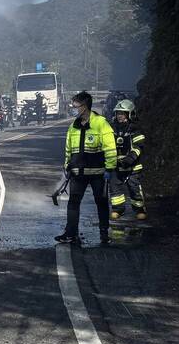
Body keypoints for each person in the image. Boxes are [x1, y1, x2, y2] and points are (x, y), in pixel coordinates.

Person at [55, 91, 117, 245]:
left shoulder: (101, 123)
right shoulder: (73, 126)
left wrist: (109, 168)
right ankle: (71, 233)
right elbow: (68, 149)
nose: (73, 109)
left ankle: (104, 233)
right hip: (77, 173)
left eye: (75, 106)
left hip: (98, 173)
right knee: (73, 203)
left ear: (84, 107)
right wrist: (67, 166)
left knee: (101, 203)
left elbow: (110, 148)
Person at [109, 99, 147, 220]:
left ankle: (139, 210)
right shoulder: (112, 128)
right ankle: (118, 210)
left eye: (122, 113)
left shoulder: (135, 129)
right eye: (118, 113)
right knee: (115, 189)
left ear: (130, 114)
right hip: (116, 165)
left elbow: (138, 146)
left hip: (132, 166)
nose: (119, 116)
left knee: (134, 188)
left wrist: (130, 159)